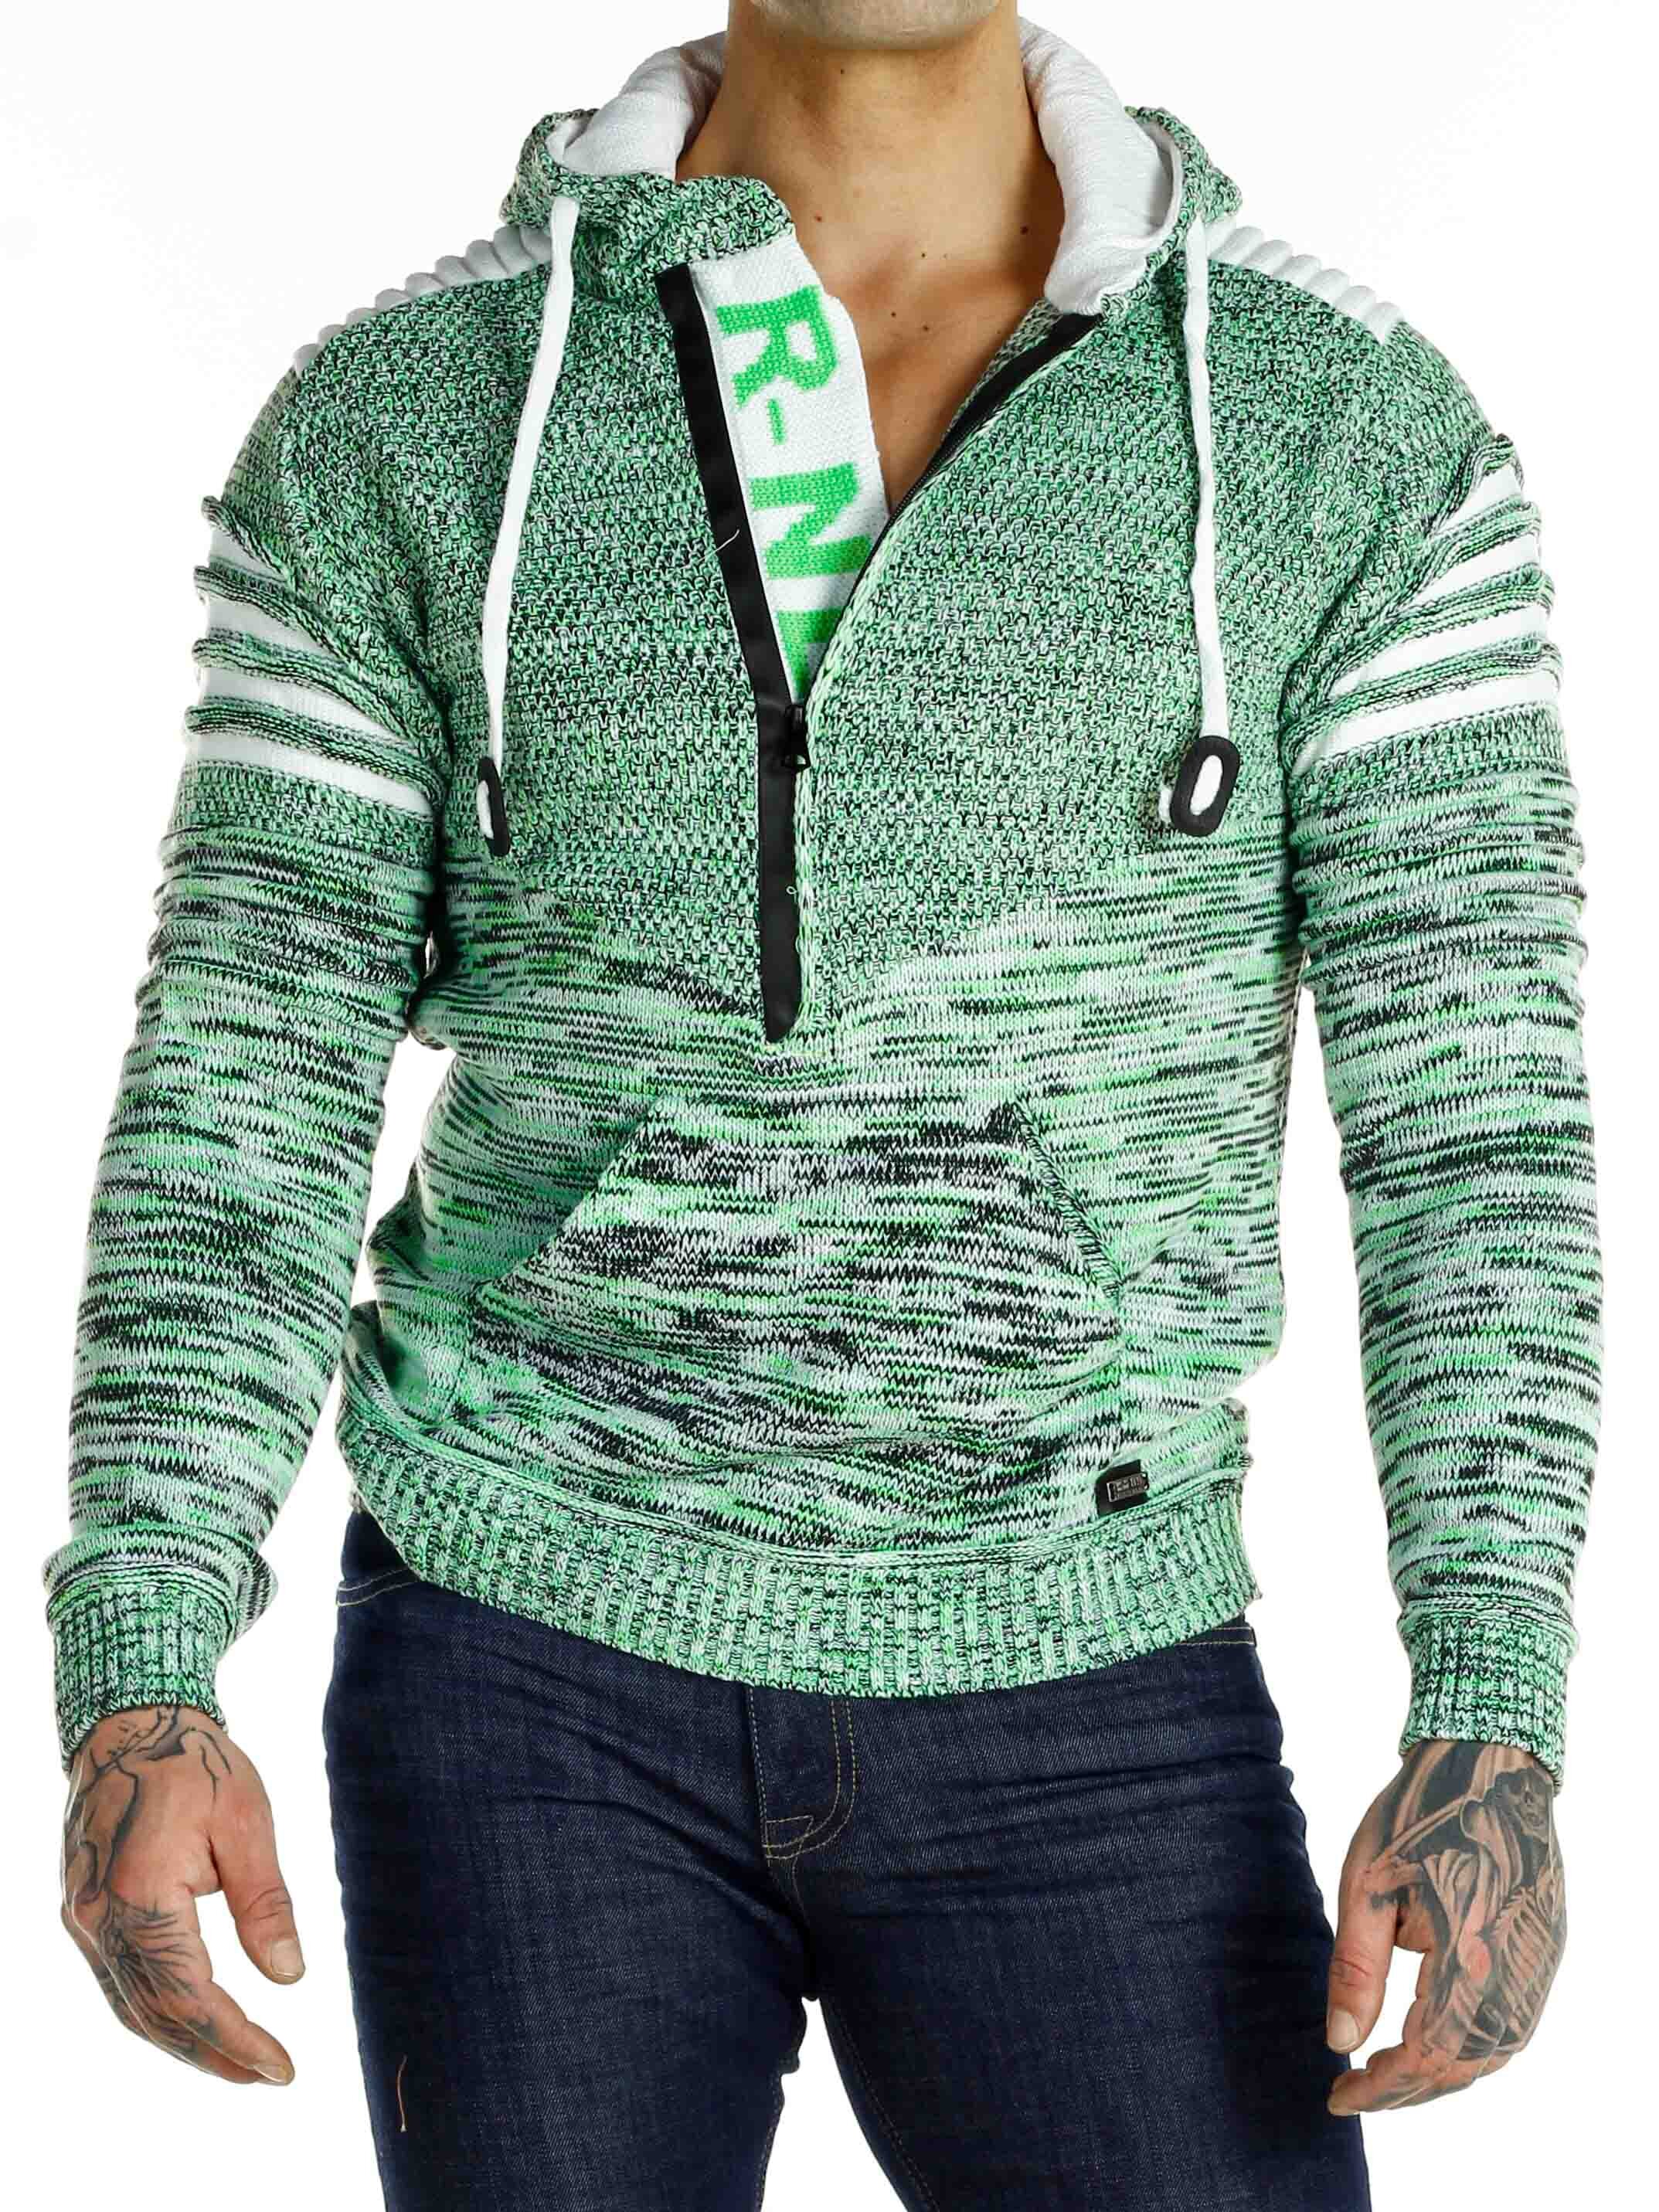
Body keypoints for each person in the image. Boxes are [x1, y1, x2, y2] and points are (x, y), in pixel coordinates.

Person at [49, 4, 1599, 2207]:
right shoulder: (404, 418)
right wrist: (141, 1656)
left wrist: (1491, 1708)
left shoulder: (1345, 430)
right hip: (520, 1661)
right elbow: (248, 1066)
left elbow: (1475, 1127)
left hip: (1090, 1666)